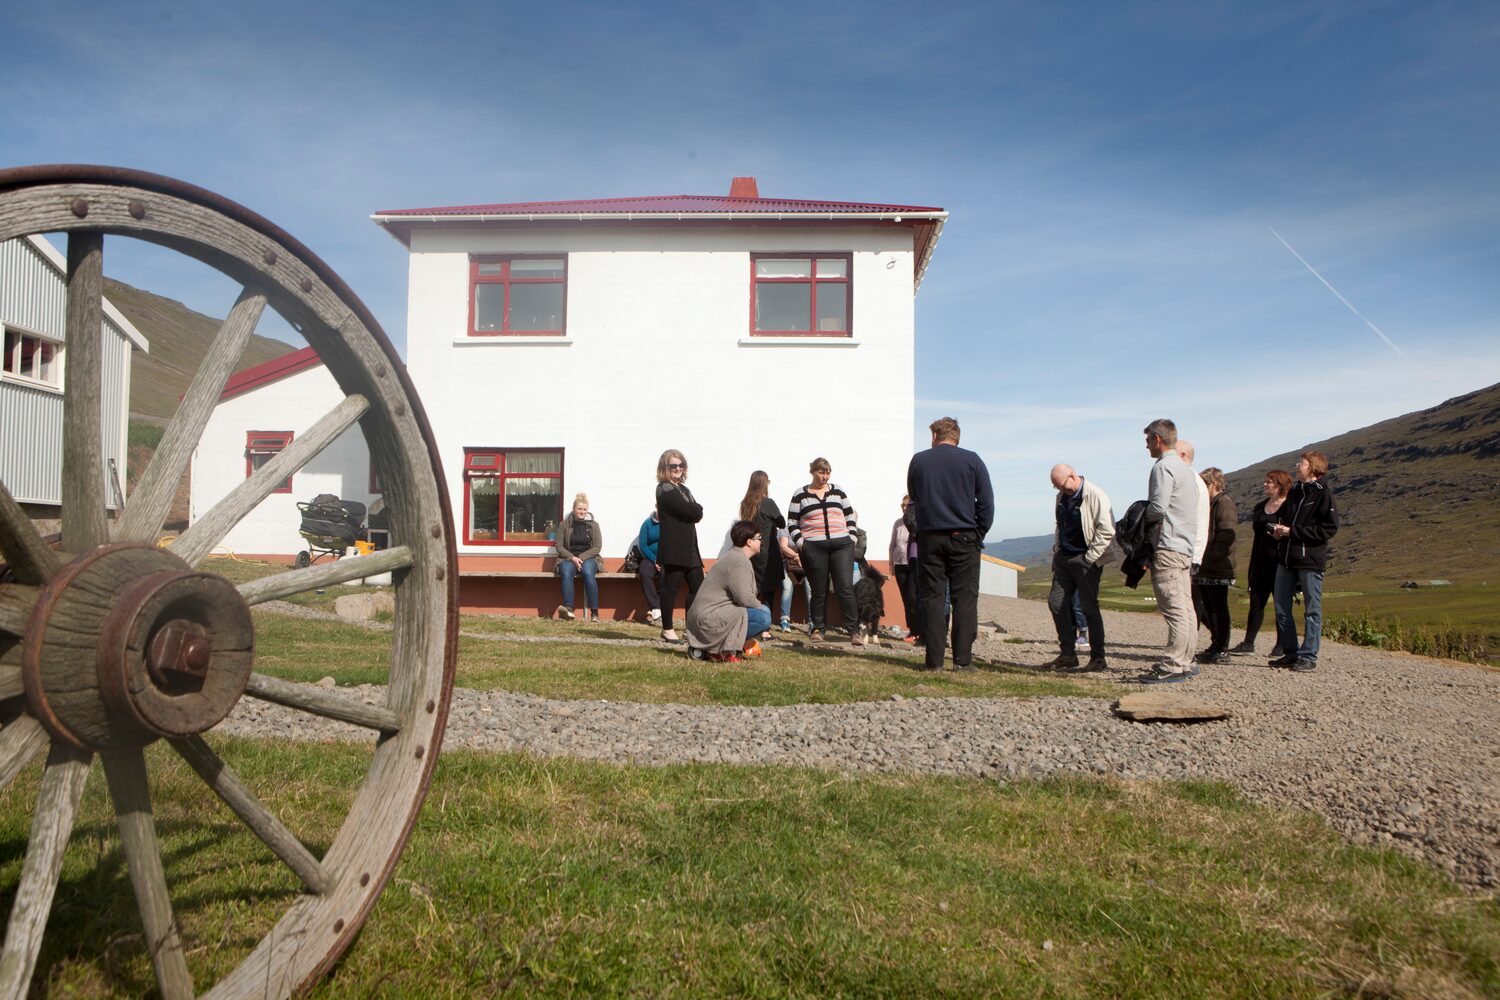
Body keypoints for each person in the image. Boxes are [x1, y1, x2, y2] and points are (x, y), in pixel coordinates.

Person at [906, 417, 994, 671]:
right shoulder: (973, 460)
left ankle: (934, 662)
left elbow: (915, 497)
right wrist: (979, 532)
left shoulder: (919, 460)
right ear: (956, 436)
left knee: (932, 598)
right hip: (964, 536)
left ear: (935, 436)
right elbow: (986, 502)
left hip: (930, 537)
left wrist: (922, 530)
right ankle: (962, 662)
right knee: (964, 599)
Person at [1137, 418, 1201, 683]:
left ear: (1157, 439)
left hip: (1167, 545)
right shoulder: (1186, 470)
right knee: (1185, 606)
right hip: (1184, 546)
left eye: (1147, 440)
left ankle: (1173, 664)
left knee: (1174, 608)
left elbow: (1158, 507)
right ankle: (1186, 660)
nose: (1146, 445)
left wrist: (1139, 518)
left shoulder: (1163, 467)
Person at [1270, 451, 1339, 671]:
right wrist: (1279, 531)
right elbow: (1285, 520)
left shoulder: (1323, 493)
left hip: (1309, 559)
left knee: (1312, 610)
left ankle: (1308, 655)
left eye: (1301, 463)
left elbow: (1329, 528)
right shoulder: (1294, 491)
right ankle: (1291, 652)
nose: (1297, 465)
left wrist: (1293, 532)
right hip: (1287, 557)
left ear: (1313, 467)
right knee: (1281, 607)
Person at [1044, 463, 1114, 671]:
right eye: (1057, 487)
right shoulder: (1061, 497)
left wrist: (1089, 557)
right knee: (1056, 603)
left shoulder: (1095, 494)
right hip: (1064, 558)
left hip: (1085, 559)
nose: (1060, 490)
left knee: (1089, 607)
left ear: (1072, 476)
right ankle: (1068, 654)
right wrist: (1057, 552)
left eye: (1062, 485)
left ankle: (1098, 658)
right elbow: (1060, 526)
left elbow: (1107, 530)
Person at [787, 458, 862, 644]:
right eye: (821, 472)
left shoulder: (838, 491)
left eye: (827, 473)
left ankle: (854, 631)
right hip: (813, 547)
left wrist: (852, 538)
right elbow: (792, 522)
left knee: (845, 587)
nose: (824, 477)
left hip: (842, 545)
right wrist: (802, 543)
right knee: (818, 590)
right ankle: (818, 629)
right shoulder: (800, 494)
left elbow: (849, 515)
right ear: (812, 471)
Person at [686, 520, 773, 663]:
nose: (761, 542)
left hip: (706, 616)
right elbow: (744, 598)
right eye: (759, 538)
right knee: (763, 617)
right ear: (749, 542)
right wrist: (759, 606)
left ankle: (725, 647)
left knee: (763, 612)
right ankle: (724, 649)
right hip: (707, 619)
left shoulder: (733, 556)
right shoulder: (739, 561)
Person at [1229, 469, 1292, 655]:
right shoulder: (1259, 507)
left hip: (1280, 562)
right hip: (1260, 560)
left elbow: (1293, 531)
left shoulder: (1289, 506)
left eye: (1269, 482)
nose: (1265, 484)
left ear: (1279, 485)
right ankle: (1248, 643)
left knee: (1281, 604)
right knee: (1256, 603)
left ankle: (1282, 644)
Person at [739, 470, 800, 635]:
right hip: (767, 552)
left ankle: (746, 623)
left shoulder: (745, 503)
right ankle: (764, 628)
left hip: (750, 552)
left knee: (753, 589)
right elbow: (781, 523)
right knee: (768, 590)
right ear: (764, 484)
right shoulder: (767, 503)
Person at [654, 449, 704, 644]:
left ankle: (690, 628)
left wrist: (695, 510)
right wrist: (695, 509)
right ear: (665, 468)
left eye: (680, 464)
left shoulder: (684, 489)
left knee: (698, 587)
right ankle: (667, 629)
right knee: (671, 588)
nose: (677, 468)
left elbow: (697, 513)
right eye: (673, 465)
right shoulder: (664, 489)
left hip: (690, 547)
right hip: (674, 547)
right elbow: (691, 511)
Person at [1192, 468, 1237, 665]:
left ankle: (1222, 648)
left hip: (1217, 565)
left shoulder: (1224, 503)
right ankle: (1215, 644)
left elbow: (1227, 533)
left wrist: (1214, 555)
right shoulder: (1210, 504)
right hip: (1207, 565)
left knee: (1218, 607)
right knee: (1209, 607)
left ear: (1213, 485)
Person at [554, 493, 602, 622]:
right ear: (574, 509)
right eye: (579, 509)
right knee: (566, 572)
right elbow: (558, 546)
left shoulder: (594, 525)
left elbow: (597, 547)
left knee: (587, 572)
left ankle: (595, 613)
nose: (582, 512)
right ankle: (568, 609)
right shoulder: (564, 525)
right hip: (568, 558)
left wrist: (580, 557)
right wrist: (572, 558)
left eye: (584, 509)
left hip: (589, 558)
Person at [889, 496, 918, 638]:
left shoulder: (916, 523)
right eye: (903, 505)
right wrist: (891, 563)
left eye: (907, 505)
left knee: (913, 597)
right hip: (899, 564)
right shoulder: (898, 523)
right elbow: (892, 544)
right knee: (905, 599)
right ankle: (912, 629)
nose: (905, 507)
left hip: (913, 564)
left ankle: (919, 629)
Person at [636, 508, 663, 626]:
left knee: (667, 574)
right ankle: (655, 607)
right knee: (644, 571)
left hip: (665, 558)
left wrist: (662, 560)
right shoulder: (647, 524)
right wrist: (654, 559)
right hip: (650, 557)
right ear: (656, 507)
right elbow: (643, 545)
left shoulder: (670, 524)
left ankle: (660, 607)